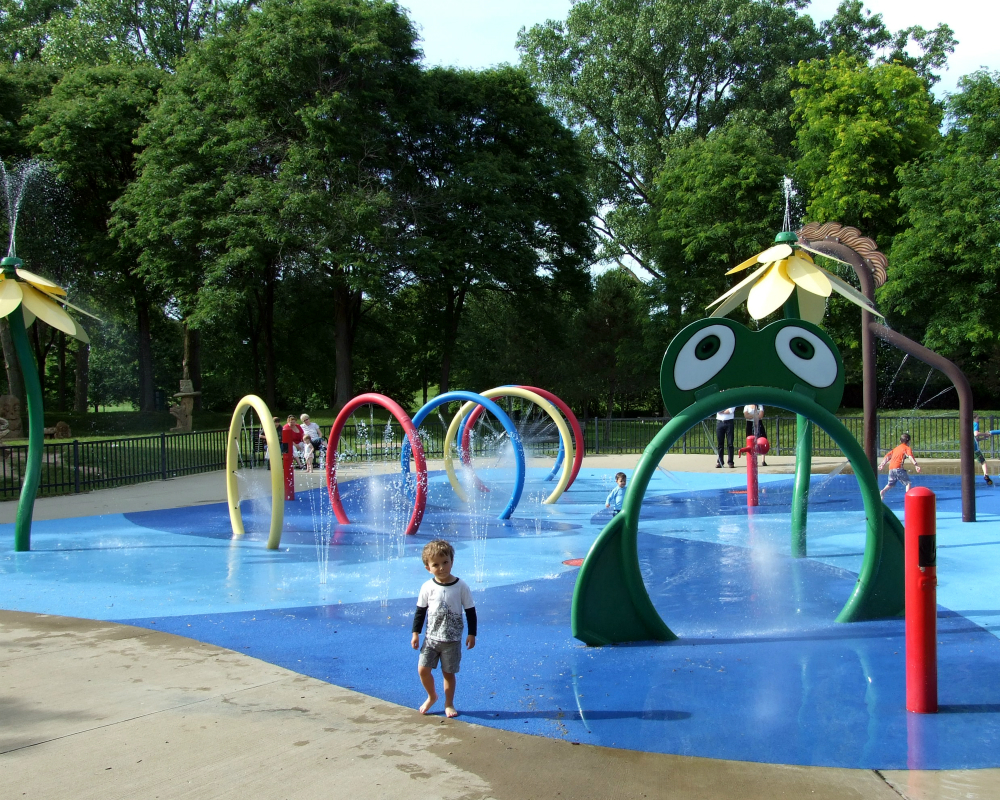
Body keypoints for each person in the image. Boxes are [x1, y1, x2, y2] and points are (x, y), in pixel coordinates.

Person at [411, 539, 476, 718]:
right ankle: (432, 695)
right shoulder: (427, 587)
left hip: (452, 641)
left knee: (448, 674)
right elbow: (420, 612)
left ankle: (449, 703)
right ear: (428, 568)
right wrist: (415, 633)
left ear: (452, 562)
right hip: (431, 639)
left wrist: (472, 633)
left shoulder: (461, 586)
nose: (441, 568)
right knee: (423, 669)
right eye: (436, 565)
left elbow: (470, 611)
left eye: (445, 562)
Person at [878, 432, 921, 498]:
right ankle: (908, 497)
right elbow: (910, 456)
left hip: (891, 468)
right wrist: (916, 465)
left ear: (900, 441)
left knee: (891, 484)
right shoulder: (907, 448)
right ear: (909, 441)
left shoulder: (896, 448)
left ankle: (883, 491)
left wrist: (882, 464)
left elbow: (888, 456)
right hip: (898, 468)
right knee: (908, 483)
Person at [972, 414, 994, 486]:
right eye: (978, 418)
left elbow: (975, 438)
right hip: (974, 448)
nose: (978, 420)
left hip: (966, 447)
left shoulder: (967, 425)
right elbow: (976, 434)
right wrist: (986, 434)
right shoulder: (975, 424)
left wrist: (983, 438)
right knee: (983, 462)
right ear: (974, 419)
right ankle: (986, 475)